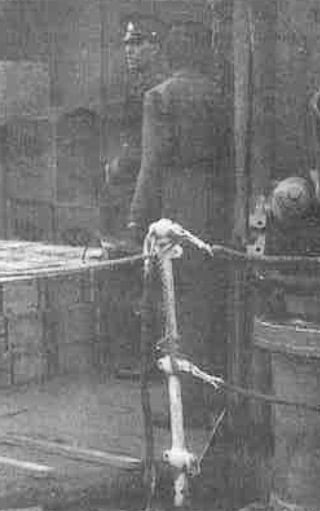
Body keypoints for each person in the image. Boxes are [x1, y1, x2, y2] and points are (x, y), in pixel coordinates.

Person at [127, 20, 231, 424]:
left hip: (177, 205)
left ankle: (186, 408)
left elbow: (151, 165)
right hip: (214, 204)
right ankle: (210, 397)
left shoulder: (160, 96)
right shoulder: (216, 94)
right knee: (207, 302)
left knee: (178, 304)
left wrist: (136, 219)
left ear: (170, 54)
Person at [100, 15, 169, 242]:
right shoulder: (137, 84)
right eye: (127, 43)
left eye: (137, 43)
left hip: (149, 185)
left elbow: (152, 148)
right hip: (131, 179)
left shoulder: (160, 89)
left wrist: (120, 165)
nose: (129, 49)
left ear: (156, 47)